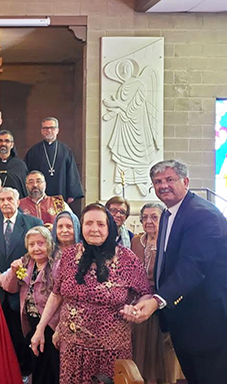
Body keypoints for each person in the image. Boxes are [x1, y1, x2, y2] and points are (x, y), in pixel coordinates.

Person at [123, 160, 227, 383]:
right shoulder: (170, 214)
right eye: (157, 182)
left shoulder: (202, 215)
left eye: (170, 179)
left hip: (207, 319)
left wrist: (158, 299)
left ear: (186, 181)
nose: (163, 186)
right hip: (183, 317)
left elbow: (193, 266)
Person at [31, 203, 151, 384]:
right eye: (88, 223)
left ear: (109, 227)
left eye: (100, 224)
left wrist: (135, 309)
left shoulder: (127, 258)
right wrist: (40, 329)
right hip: (72, 349)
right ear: (82, 227)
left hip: (112, 351)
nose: (94, 229)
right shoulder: (69, 256)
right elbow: (56, 294)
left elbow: (145, 294)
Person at [0, 187, 43, 380]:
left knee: (21, 336)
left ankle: (23, 373)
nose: (5, 202)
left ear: (18, 201)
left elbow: (35, 254)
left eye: (9, 199)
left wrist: (13, 276)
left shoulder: (32, 223)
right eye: (2, 199)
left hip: (21, 289)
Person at [0, 226, 61, 384]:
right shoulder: (27, 262)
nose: (36, 248)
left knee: (52, 367)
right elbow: (10, 287)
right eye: (32, 244)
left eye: (41, 243)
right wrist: (12, 272)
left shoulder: (57, 264)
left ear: (49, 244)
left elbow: (62, 296)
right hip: (31, 322)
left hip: (52, 324)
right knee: (37, 365)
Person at [130, 203, 181, 384]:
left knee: (161, 352)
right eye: (145, 217)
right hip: (139, 302)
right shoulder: (136, 241)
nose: (149, 221)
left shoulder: (170, 242)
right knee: (141, 351)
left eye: (154, 217)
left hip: (161, 303)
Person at [24, 117, 84, 203]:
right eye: (45, 128)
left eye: (52, 128)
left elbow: (71, 171)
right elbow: (27, 172)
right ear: (42, 131)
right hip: (39, 194)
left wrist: (72, 193)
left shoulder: (65, 150)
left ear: (57, 130)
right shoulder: (34, 151)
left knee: (59, 215)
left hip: (60, 192)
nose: (48, 130)